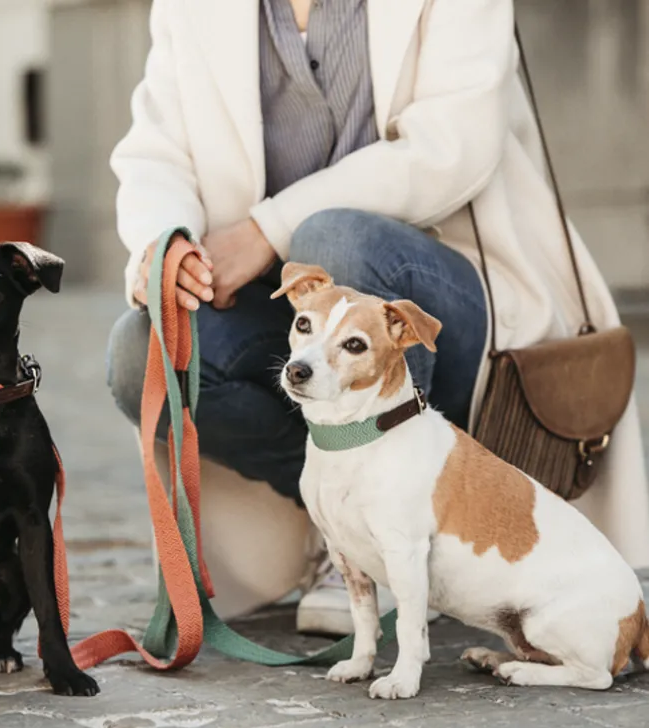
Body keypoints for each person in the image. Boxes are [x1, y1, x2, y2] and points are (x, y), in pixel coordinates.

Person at [107, 0, 649, 636]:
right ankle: (356, 526)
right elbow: (155, 152)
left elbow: (453, 146)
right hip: (285, 309)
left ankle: (403, 525)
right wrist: (167, 243)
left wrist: (268, 230)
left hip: (443, 291)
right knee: (140, 351)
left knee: (336, 242)